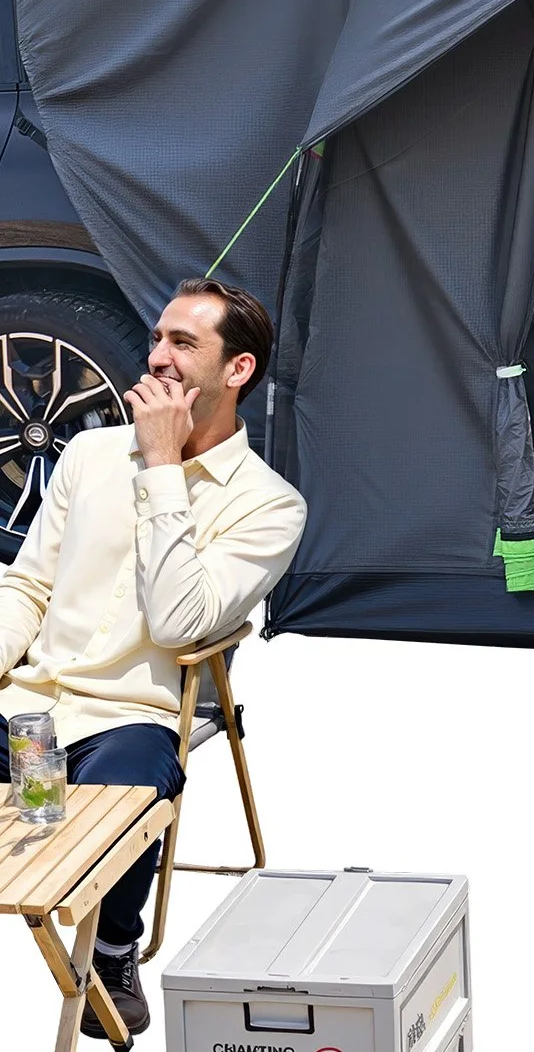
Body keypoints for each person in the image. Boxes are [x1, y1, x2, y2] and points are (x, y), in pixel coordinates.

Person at [0, 277, 306, 1041]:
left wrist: (163, 465)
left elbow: (178, 625)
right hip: (28, 706)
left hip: (126, 717)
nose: (158, 357)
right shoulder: (90, 454)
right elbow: (28, 585)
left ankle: (110, 949)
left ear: (237, 370)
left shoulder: (269, 505)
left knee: (129, 790)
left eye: (183, 344)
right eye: (157, 339)